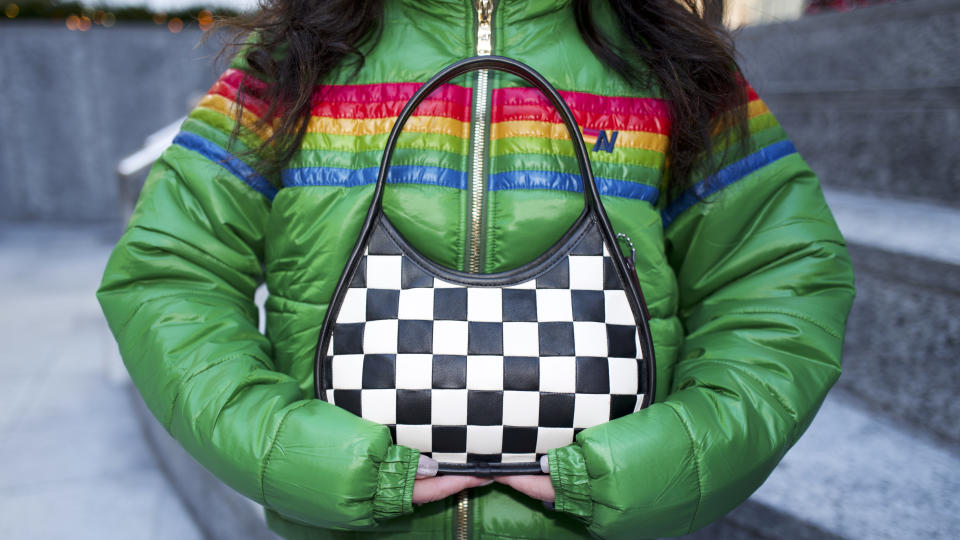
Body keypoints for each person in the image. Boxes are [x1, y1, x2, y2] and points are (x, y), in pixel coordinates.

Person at [97, 0, 856, 538]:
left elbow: (781, 281)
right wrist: (305, 454)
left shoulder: (669, 64)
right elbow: (170, 273)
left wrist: (642, 466)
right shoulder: (290, 64)